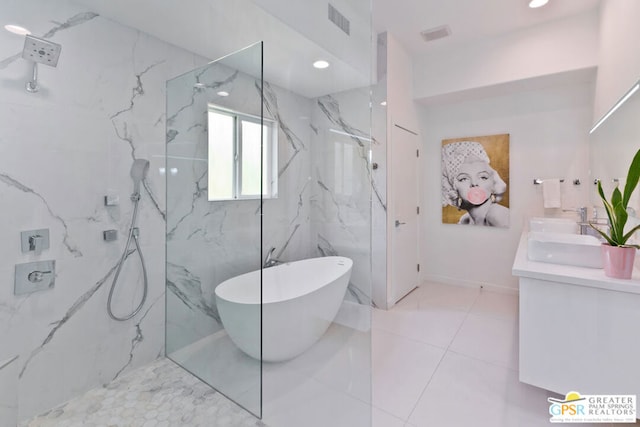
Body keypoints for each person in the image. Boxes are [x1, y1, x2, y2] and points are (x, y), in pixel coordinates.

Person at [442, 141, 509, 227]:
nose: (474, 183)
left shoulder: (497, 214)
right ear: (453, 187)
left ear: (493, 183)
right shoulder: (465, 220)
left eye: (483, 177)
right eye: (463, 179)